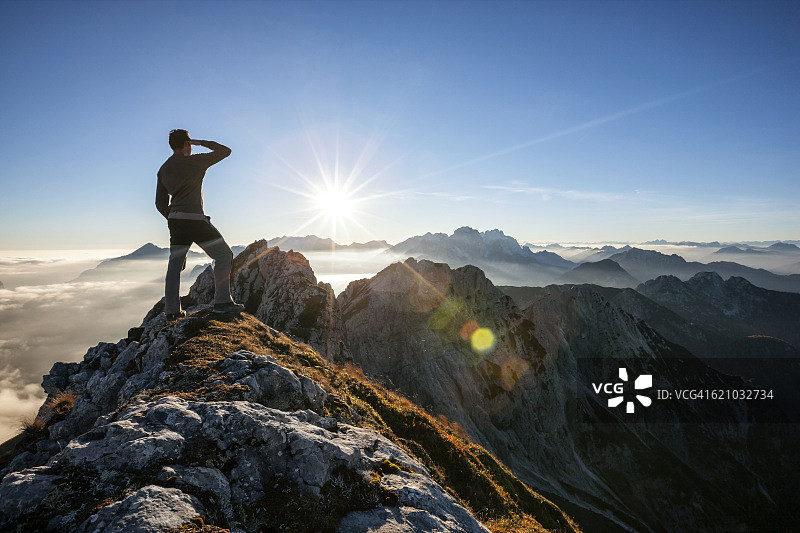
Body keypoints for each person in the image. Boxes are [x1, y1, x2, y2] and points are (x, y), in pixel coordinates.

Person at [155, 129, 244, 319]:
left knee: (175, 266)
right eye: (189, 144)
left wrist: (172, 215)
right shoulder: (195, 162)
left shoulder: (163, 169)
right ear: (187, 144)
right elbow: (224, 151)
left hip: (175, 223)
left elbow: (159, 203)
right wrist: (199, 142)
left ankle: (171, 311)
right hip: (195, 220)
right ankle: (222, 302)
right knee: (224, 255)